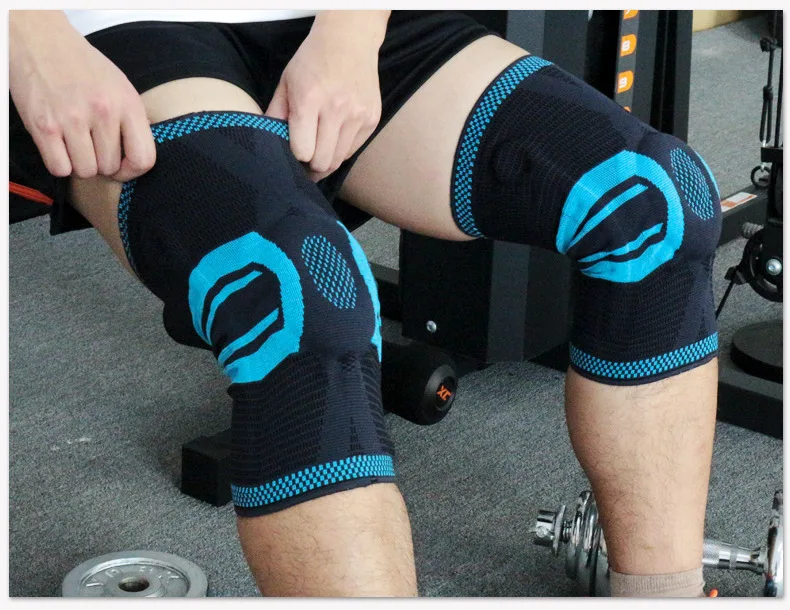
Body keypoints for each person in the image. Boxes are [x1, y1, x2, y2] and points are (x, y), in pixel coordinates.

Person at [9, 10, 722, 598]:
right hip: (108, 32)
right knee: (297, 298)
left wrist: (351, 33)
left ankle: (662, 591)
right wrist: (30, 38)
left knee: (654, 202)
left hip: (325, 21)